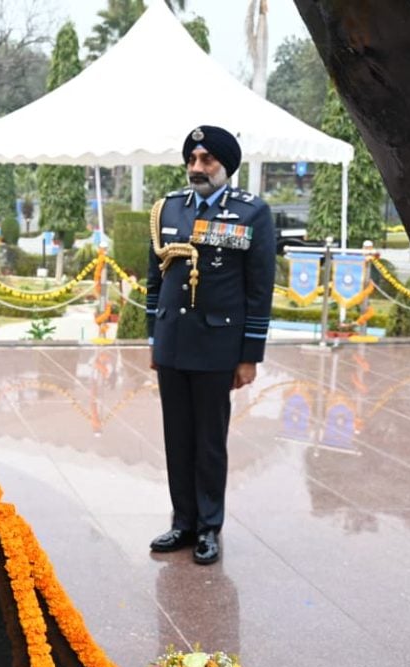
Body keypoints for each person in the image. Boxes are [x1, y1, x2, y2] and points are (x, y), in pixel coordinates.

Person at [145, 125, 275, 565]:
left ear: (225, 166)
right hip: (173, 342)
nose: (197, 169)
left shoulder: (251, 213)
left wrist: (249, 356)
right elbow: (154, 279)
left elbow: (259, 290)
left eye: (206, 161)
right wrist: (152, 338)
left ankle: (208, 527)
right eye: (192, 160)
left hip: (218, 345)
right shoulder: (168, 209)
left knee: (209, 440)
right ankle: (182, 522)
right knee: (177, 436)